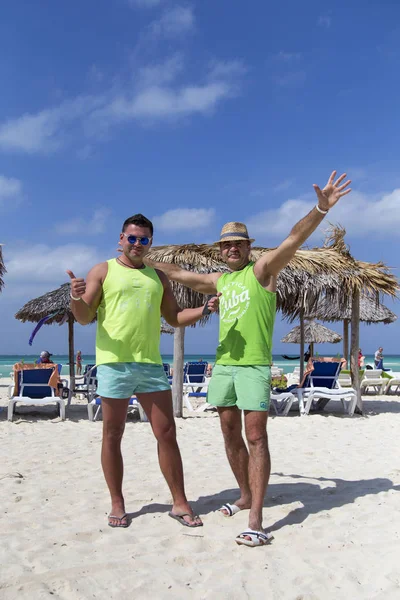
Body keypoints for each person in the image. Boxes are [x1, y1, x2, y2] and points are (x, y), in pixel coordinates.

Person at [146, 171, 351, 547]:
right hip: (224, 366)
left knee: (256, 436)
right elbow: (178, 273)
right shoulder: (220, 281)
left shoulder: (262, 271)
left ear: (248, 246)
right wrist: (138, 256)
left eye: (238, 243)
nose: (232, 249)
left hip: (255, 366)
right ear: (220, 251)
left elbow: (293, 239)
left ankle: (256, 519)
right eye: (226, 246)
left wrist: (321, 208)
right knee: (228, 432)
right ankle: (243, 494)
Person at [67, 213, 219, 529]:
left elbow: (175, 317)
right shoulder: (103, 270)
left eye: (144, 239)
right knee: (112, 433)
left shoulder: (158, 277)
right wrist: (75, 296)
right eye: (132, 238)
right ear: (121, 240)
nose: (137, 244)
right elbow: (83, 317)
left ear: (150, 243)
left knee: (166, 433)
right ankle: (118, 503)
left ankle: (179, 502)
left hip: (150, 365)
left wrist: (204, 309)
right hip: (113, 364)